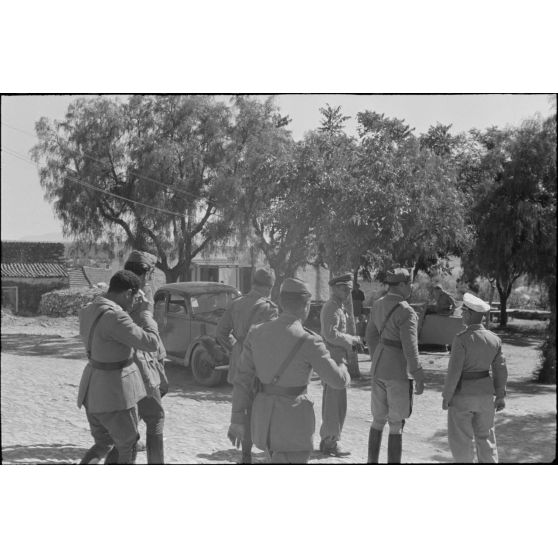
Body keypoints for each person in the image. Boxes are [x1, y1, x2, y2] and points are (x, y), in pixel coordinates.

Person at [227, 278, 351, 464]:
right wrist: (343, 366)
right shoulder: (310, 340)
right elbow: (337, 381)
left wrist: (236, 419)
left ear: (281, 303)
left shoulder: (256, 332)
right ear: (307, 306)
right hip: (293, 425)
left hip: (264, 423)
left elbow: (242, 380)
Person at [77, 271, 160, 464]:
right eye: (135, 297)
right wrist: (146, 313)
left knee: (103, 443)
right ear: (128, 293)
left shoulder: (91, 309)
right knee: (129, 444)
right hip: (114, 394)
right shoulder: (116, 317)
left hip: (92, 388)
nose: (134, 302)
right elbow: (151, 343)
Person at [102, 250, 167, 464]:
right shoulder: (138, 296)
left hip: (119, 371)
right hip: (139, 368)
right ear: (146, 273)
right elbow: (149, 339)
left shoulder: (115, 293)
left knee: (128, 426)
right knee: (155, 418)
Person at [216, 268, 278, 464]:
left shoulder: (236, 303)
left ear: (253, 283)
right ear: (270, 287)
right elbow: (270, 342)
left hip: (239, 359)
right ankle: (271, 454)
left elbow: (220, 333)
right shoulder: (269, 308)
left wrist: (236, 348)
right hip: (259, 365)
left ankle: (245, 457)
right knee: (265, 410)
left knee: (244, 410)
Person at [365, 268, 425, 464]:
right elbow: (410, 347)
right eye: (408, 284)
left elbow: (371, 335)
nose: (411, 287)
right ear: (400, 285)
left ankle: (371, 463)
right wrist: (417, 374)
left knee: (377, 420)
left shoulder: (377, 305)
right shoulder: (406, 311)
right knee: (396, 423)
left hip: (379, 367)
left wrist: (377, 357)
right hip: (398, 370)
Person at [442, 292, 508, 463]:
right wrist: (500, 395)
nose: (462, 315)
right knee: (486, 438)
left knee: (461, 441)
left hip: (462, 396)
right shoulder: (495, 340)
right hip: (485, 396)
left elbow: (454, 371)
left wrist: (447, 396)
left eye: (464, 312)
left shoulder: (462, 339)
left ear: (471, 314)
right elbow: (500, 370)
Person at [319, 273, 364, 457]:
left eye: (348, 289)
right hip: (333, 360)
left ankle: (329, 441)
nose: (347, 291)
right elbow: (330, 335)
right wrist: (351, 340)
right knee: (334, 404)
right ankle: (330, 441)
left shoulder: (338, 307)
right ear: (334, 288)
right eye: (343, 288)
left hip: (338, 359)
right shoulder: (331, 308)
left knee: (337, 403)